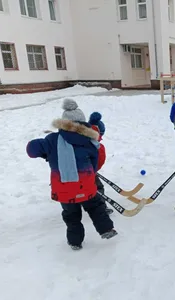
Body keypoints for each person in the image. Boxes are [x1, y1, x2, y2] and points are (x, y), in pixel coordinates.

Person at [26, 98, 117, 250]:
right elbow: (96, 162)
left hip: (64, 190)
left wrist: (43, 150)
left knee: (71, 216)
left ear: (63, 123)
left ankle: (75, 242)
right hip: (86, 186)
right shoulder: (90, 140)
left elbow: (31, 150)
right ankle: (106, 229)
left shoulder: (52, 140)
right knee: (96, 206)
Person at [88, 112, 113, 215]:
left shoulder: (80, 137)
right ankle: (100, 208)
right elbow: (98, 162)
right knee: (98, 188)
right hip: (86, 171)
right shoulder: (97, 146)